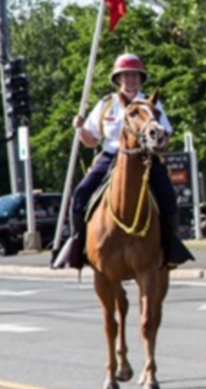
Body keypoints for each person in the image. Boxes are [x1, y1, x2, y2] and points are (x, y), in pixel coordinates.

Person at [53, 54, 195, 269]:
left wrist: (161, 140)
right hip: (111, 156)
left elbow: (166, 134)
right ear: (118, 79)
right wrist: (80, 129)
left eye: (134, 75)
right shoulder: (106, 104)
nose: (130, 80)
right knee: (81, 194)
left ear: (141, 79)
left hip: (144, 157)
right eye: (125, 76)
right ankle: (77, 245)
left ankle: (171, 247)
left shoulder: (151, 104)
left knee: (167, 195)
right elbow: (92, 141)